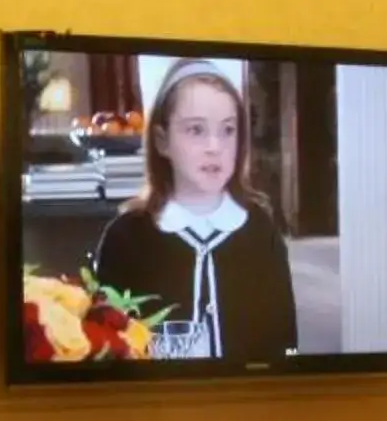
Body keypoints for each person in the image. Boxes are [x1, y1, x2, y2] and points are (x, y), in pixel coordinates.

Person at [88, 59, 298, 361]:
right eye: (196, 130)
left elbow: (285, 342)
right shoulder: (125, 238)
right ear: (162, 141)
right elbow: (108, 348)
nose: (214, 146)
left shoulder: (259, 229)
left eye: (227, 130)